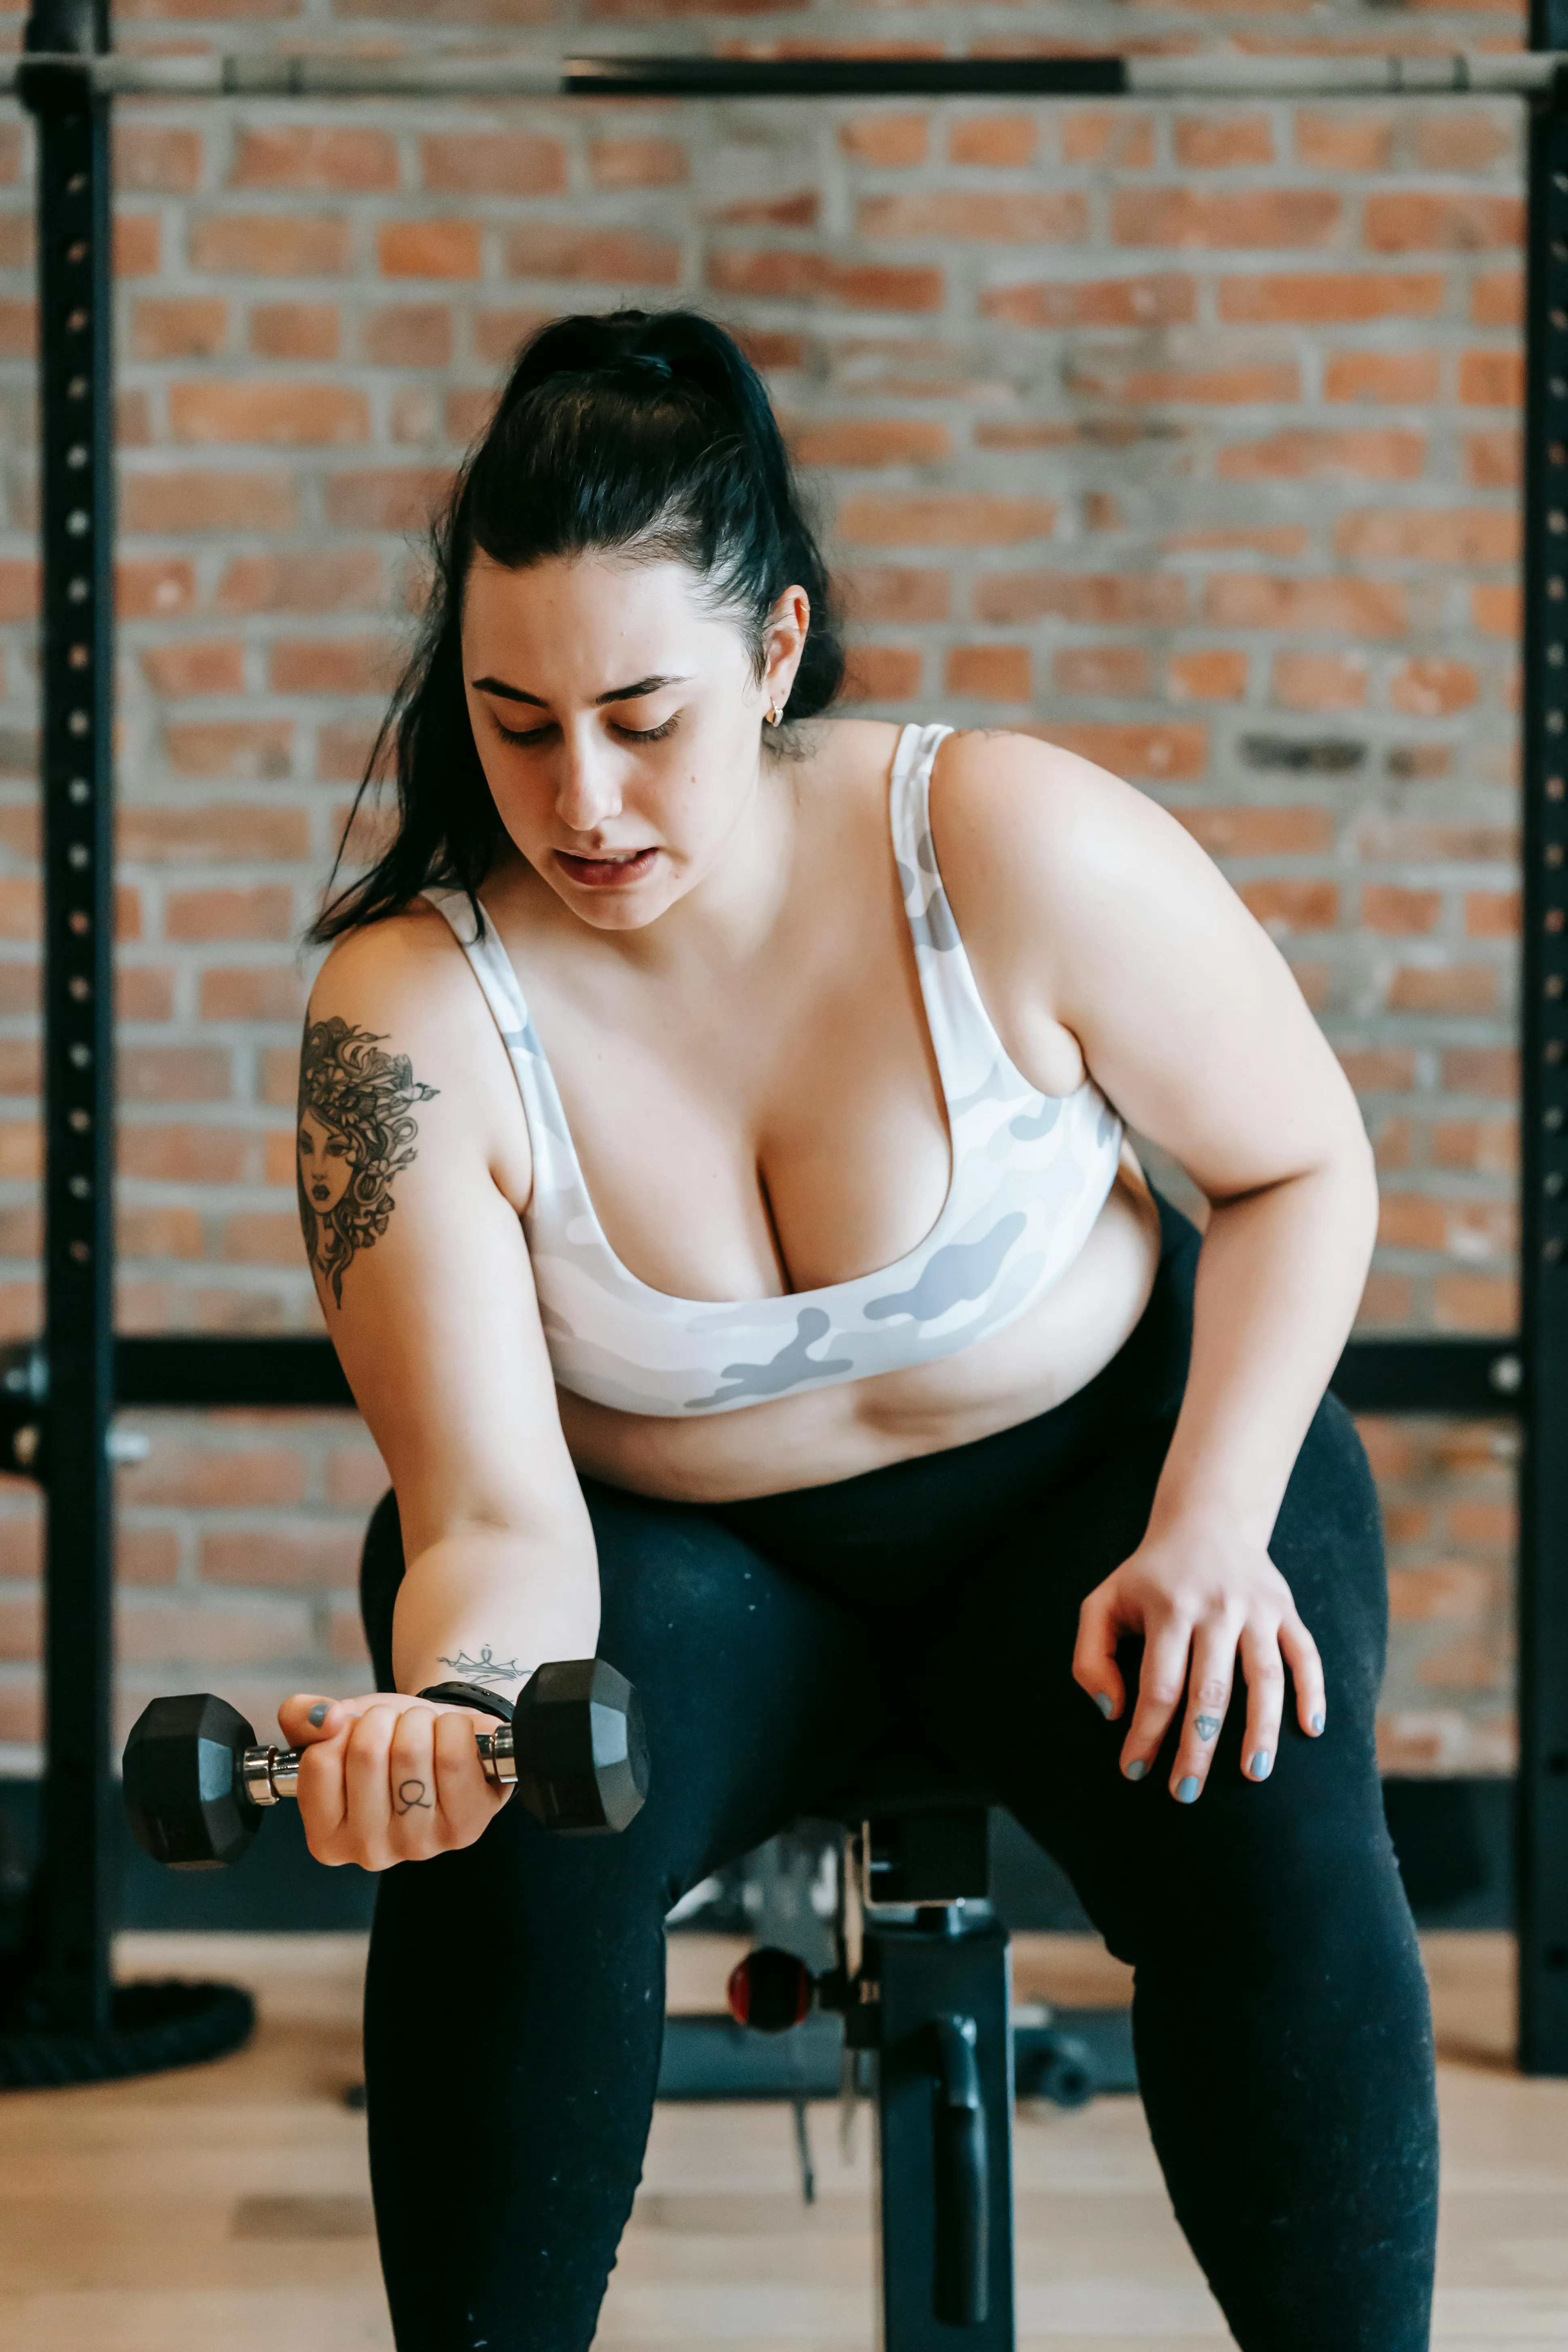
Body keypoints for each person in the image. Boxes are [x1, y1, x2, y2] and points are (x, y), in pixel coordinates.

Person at [284, 307, 1437, 2352]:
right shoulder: (409, 1021)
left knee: (1264, 1783)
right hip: (680, 1570)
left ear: (778, 650)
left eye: (644, 716)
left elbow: (1300, 1168)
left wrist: (1215, 1523)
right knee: (509, 1831)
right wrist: (460, 1712)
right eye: (515, 723)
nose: (582, 797)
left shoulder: (1005, 843)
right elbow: (487, 1514)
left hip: (1103, 1494)